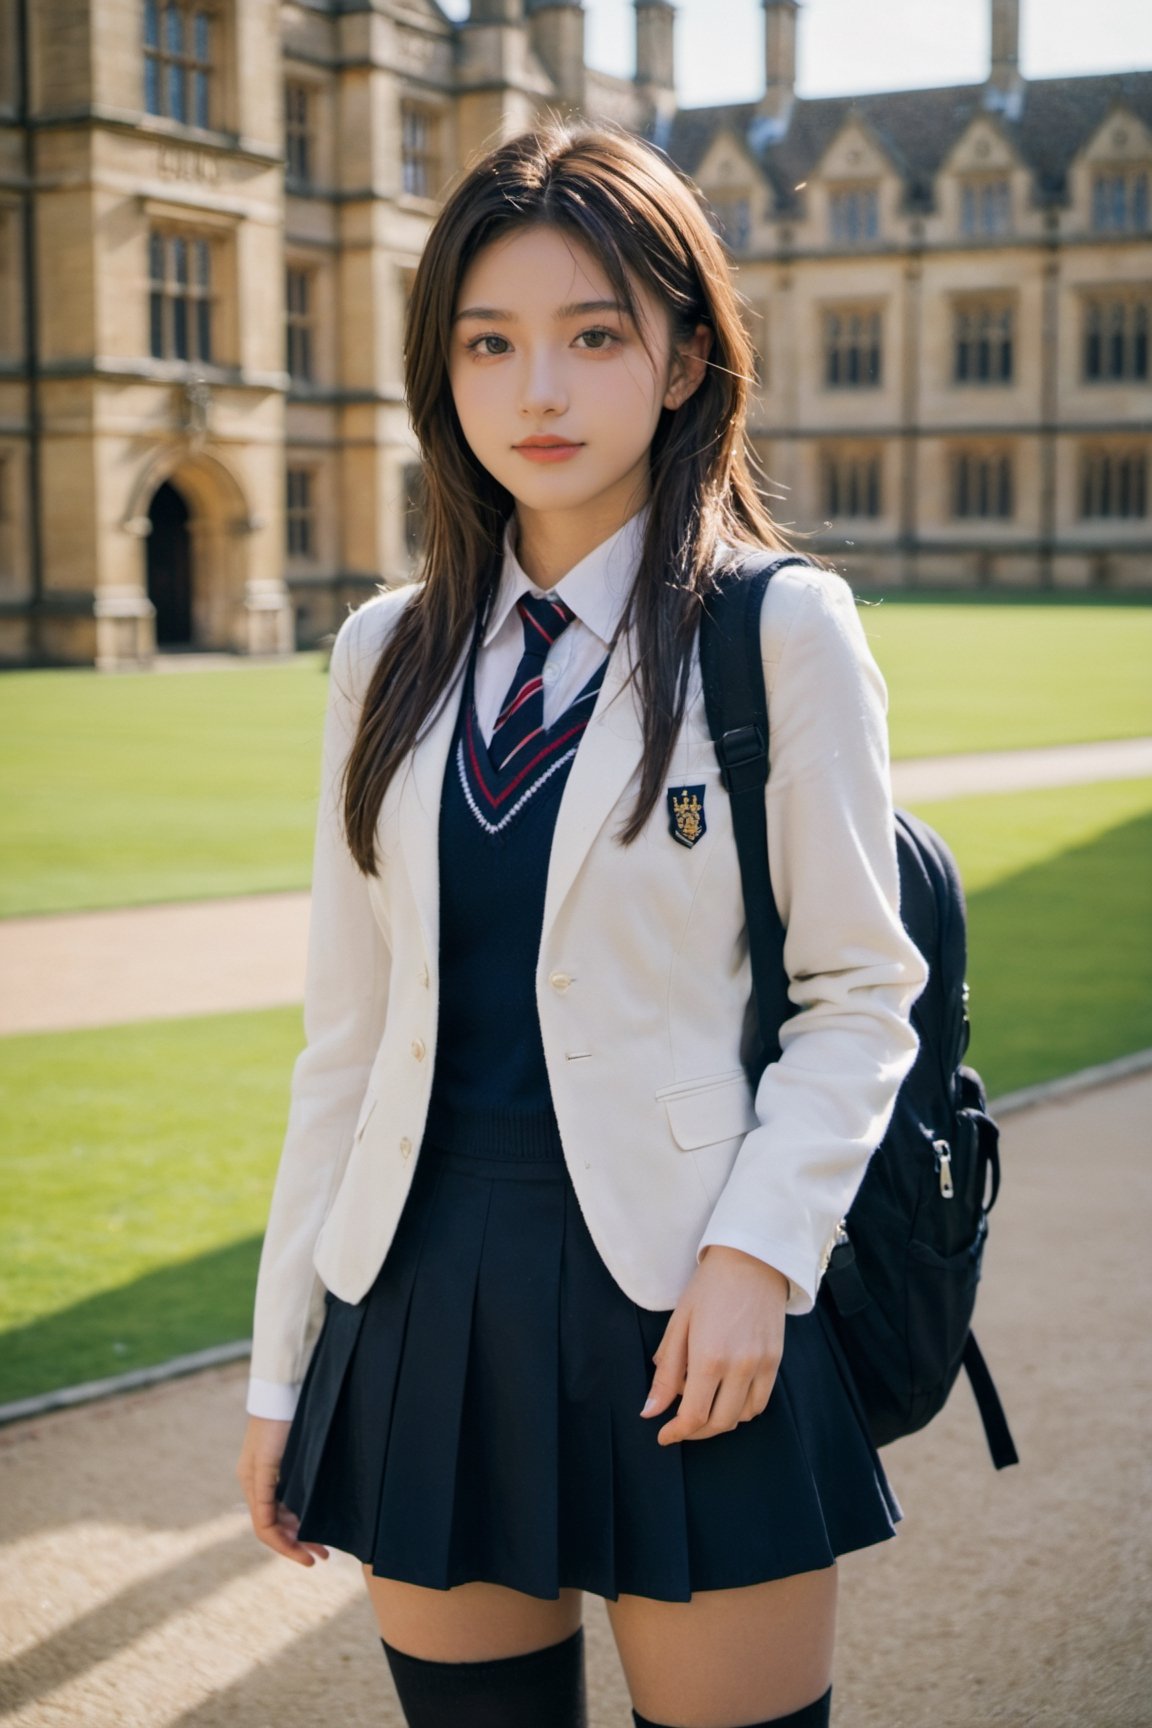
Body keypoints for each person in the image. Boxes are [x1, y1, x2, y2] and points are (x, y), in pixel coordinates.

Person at [236, 121, 927, 1728]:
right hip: (415, 1299)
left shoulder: (778, 628)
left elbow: (857, 991)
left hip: (694, 1294)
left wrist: (761, 1255)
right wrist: (283, 1371)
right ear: (443, 370)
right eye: (490, 343)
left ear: (686, 359)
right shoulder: (383, 654)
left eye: (594, 336)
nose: (537, 392)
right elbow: (344, 1039)